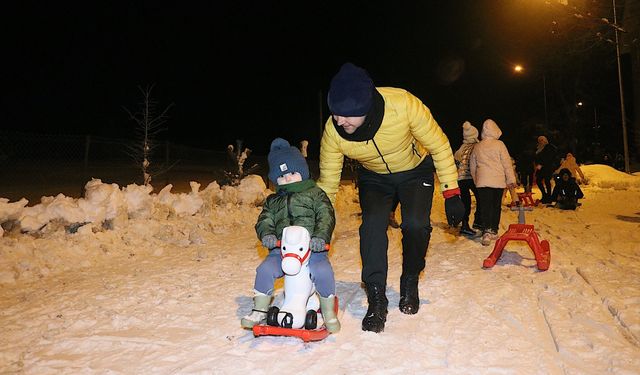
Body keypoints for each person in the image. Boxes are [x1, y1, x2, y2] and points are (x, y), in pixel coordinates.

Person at [316, 62, 464, 333]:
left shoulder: (403, 105)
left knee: (416, 225)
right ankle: (376, 296)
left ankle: (410, 279)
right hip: (374, 177)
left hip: (414, 170)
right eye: (336, 114)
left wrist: (451, 191)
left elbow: (439, 144)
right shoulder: (333, 132)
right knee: (371, 226)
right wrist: (316, 217)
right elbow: (328, 183)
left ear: (366, 106)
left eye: (348, 115)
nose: (340, 121)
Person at [241, 138, 340, 333]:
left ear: (302, 172)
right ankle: (260, 309)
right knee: (264, 270)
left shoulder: (315, 194)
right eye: (282, 175)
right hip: (282, 250)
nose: (287, 179)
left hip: (311, 249)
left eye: (292, 173)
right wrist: (267, 234)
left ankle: (328, 310)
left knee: (322, 271)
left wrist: (320, 237)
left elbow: (325, 216)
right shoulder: (273, 200)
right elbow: (265, 220)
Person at [469, 119, 518, 246]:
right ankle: (494, 230)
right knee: (496, 206)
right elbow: (507, 163)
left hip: (483, 181)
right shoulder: (500, 144)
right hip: (498, 180)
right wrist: (511, 179)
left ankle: (486, 231)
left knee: (485, 206)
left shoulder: (477, 146)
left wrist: (476, 179)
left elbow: (472, 166)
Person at [453, 121, 481, 236]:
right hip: (472, 178)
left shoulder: (461, 148)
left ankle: (464, 225)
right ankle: (478, 222)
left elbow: (456, 161)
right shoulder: (477, 146)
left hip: (461, 179)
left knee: (465, 202)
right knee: (481, 199)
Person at [534, 135, 559, 204]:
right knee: (538, 181)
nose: (541, 142)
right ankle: (544, 195)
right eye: (539, 140)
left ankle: (548, 196)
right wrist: (538, 164)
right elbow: (537, 158)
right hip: (541, 168)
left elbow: (548, 157)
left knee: (547, 181)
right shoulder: (539, 148)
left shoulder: (549, 147)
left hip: (547, 167)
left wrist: (542, 163)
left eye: (542, 140)